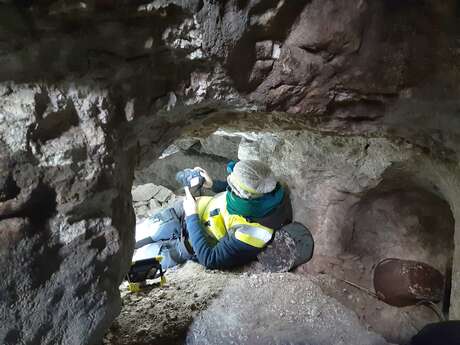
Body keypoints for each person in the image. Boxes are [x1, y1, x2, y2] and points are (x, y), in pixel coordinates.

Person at [132, 160, 292, 271]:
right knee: (134, 236)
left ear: (243, 195)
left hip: (189, 242)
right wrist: (213, 185)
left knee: (135, 260)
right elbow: (241, 191)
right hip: (183, 212)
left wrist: (192, 216)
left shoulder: (254, 233)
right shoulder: (268, 189)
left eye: (232, 182)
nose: (228, 180)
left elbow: (210, 259)